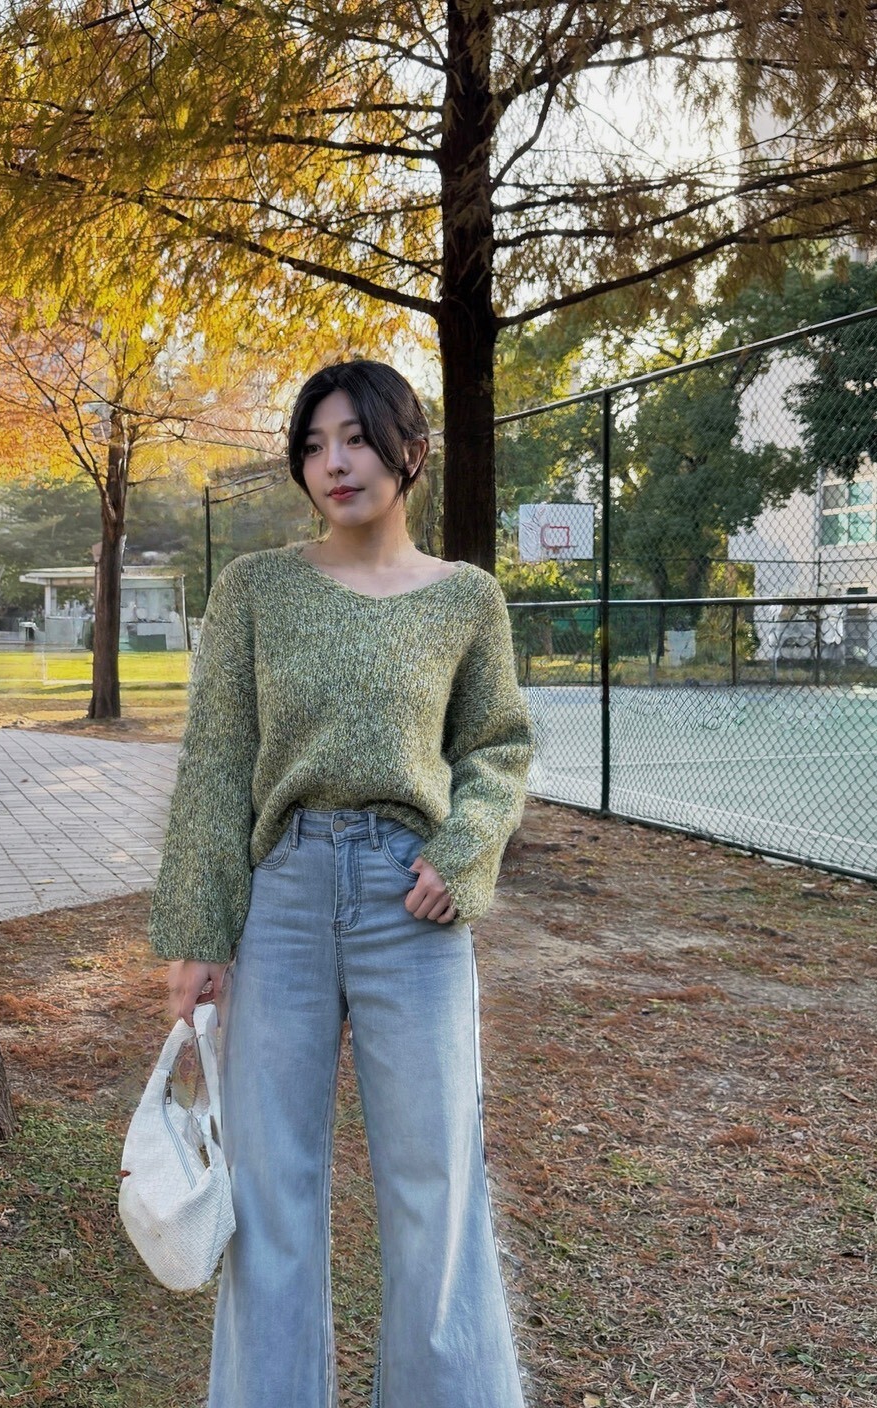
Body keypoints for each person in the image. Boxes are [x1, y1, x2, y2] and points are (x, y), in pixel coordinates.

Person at [149, 359, 533, 1408]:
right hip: (282, 897)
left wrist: (465, 852)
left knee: (436, 1184)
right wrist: (199, 930)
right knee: (270, 1190)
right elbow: (218, 761)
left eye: (356, 438)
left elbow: (497, 748)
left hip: (413, 904)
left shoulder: (467, 599)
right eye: (315, 445)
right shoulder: (255, 589)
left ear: (409, 450)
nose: (335, 463)